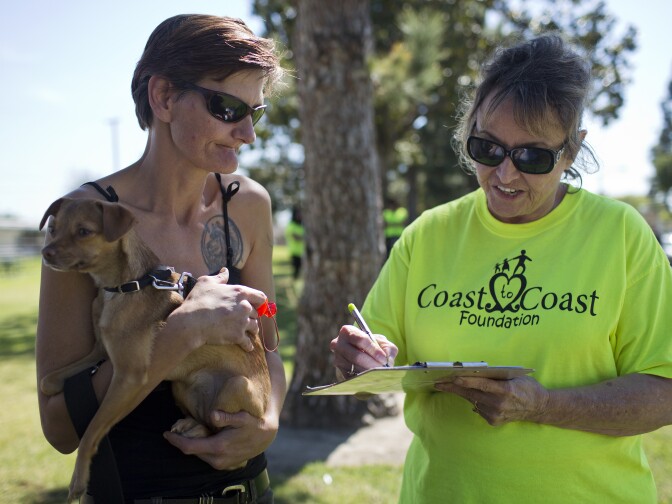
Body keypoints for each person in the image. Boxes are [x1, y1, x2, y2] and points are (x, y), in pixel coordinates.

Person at [330, 34, 672, 503]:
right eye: (487, 149)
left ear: (571, 151)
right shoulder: (428, 234)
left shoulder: (621, 235)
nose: (505, 175)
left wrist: (545, 406)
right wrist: (362, 362)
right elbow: (377, 359)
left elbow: (663, 391)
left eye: (532, 156)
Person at [36, 14, 285, 503]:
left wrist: (270, 419)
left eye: (255, 113)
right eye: (229, 107)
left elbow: (269, 339)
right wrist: (183, 331)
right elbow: (59, 428)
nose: (247, 134)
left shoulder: (249, 205)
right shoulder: (83, 221)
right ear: (164, 97)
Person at [284, 205, 305, 280]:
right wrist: (304, 237)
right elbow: (294, 237)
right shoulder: (291, 225)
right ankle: (294, 280)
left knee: (300, 268)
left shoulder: (302, 225)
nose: (300, 215)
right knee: (296, 267)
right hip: (294, 250)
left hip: (302, 251)